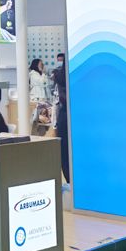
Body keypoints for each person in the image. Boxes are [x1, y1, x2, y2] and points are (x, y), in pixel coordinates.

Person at [52, 53, 70, 184]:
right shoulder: (62, 77)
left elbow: (57, 102)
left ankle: (70, 183)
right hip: (69, 117)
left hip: (64, 117)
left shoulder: (59, 77)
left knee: (65, 154)